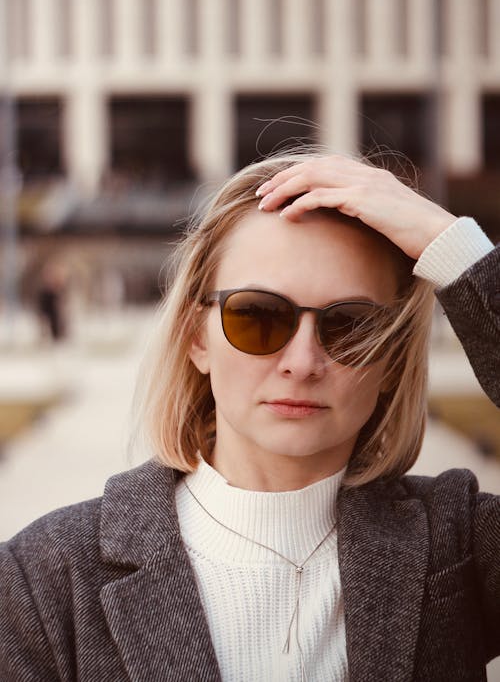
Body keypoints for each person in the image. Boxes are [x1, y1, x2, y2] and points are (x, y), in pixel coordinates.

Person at [0, 152, 499, 682]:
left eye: (351, 326)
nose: (303, 363)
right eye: (257, 315)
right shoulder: (43, 582)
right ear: (197, 337)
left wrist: (453, 245)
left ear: (393, 359)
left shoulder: (461, 545)